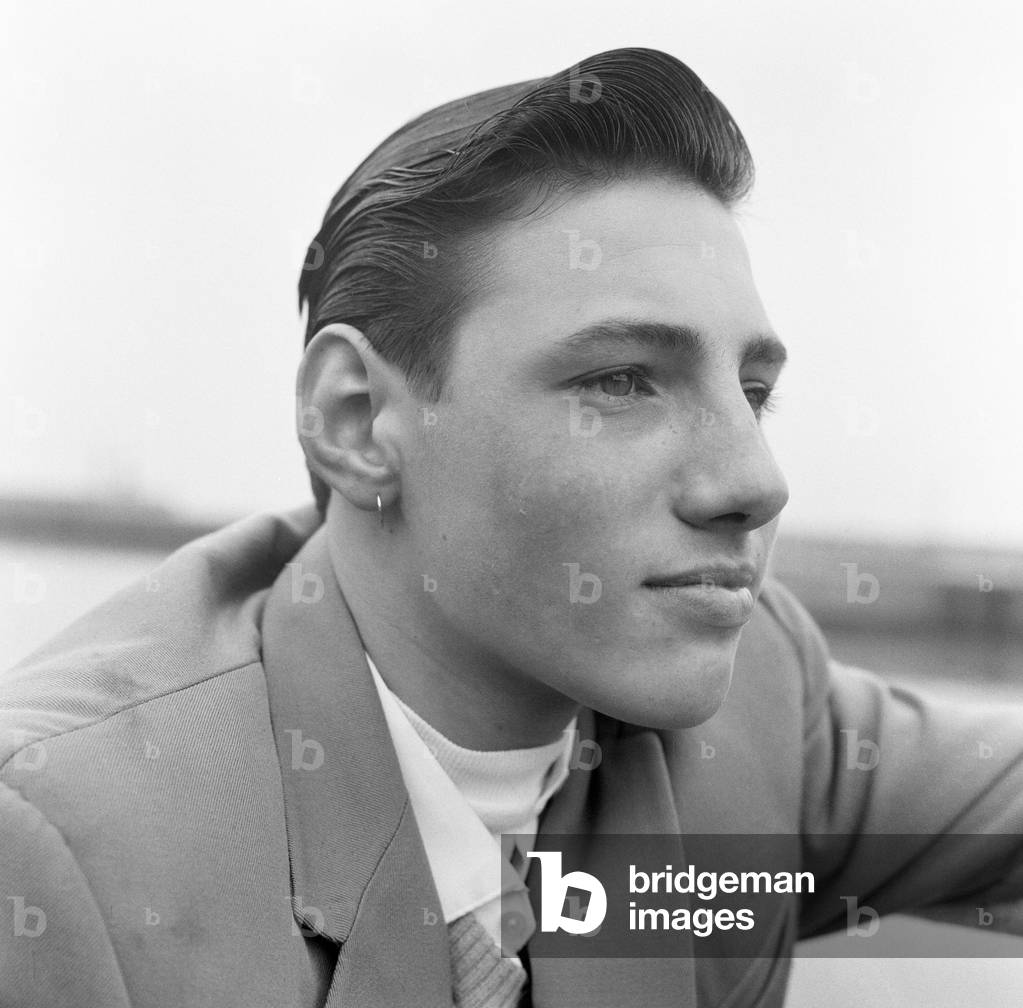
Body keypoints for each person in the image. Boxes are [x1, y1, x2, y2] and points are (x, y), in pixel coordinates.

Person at [2, 46, 1022, 1008]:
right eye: (622, 380)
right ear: (356, 423)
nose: (757, 481)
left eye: (753, 392)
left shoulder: (757, 697)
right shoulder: (58, 844)